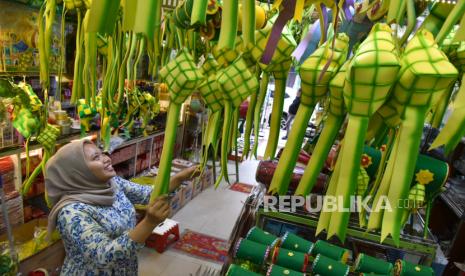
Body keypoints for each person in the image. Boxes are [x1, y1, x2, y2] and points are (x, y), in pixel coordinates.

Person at [45, 139, 198, 275]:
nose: (106, 159)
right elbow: (103, 255)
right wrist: (148, 223)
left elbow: (148, 194)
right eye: (95, 158)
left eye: (102, 153)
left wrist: (180, 177)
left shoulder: (112, 184)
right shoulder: (71, 213)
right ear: (77, 173)